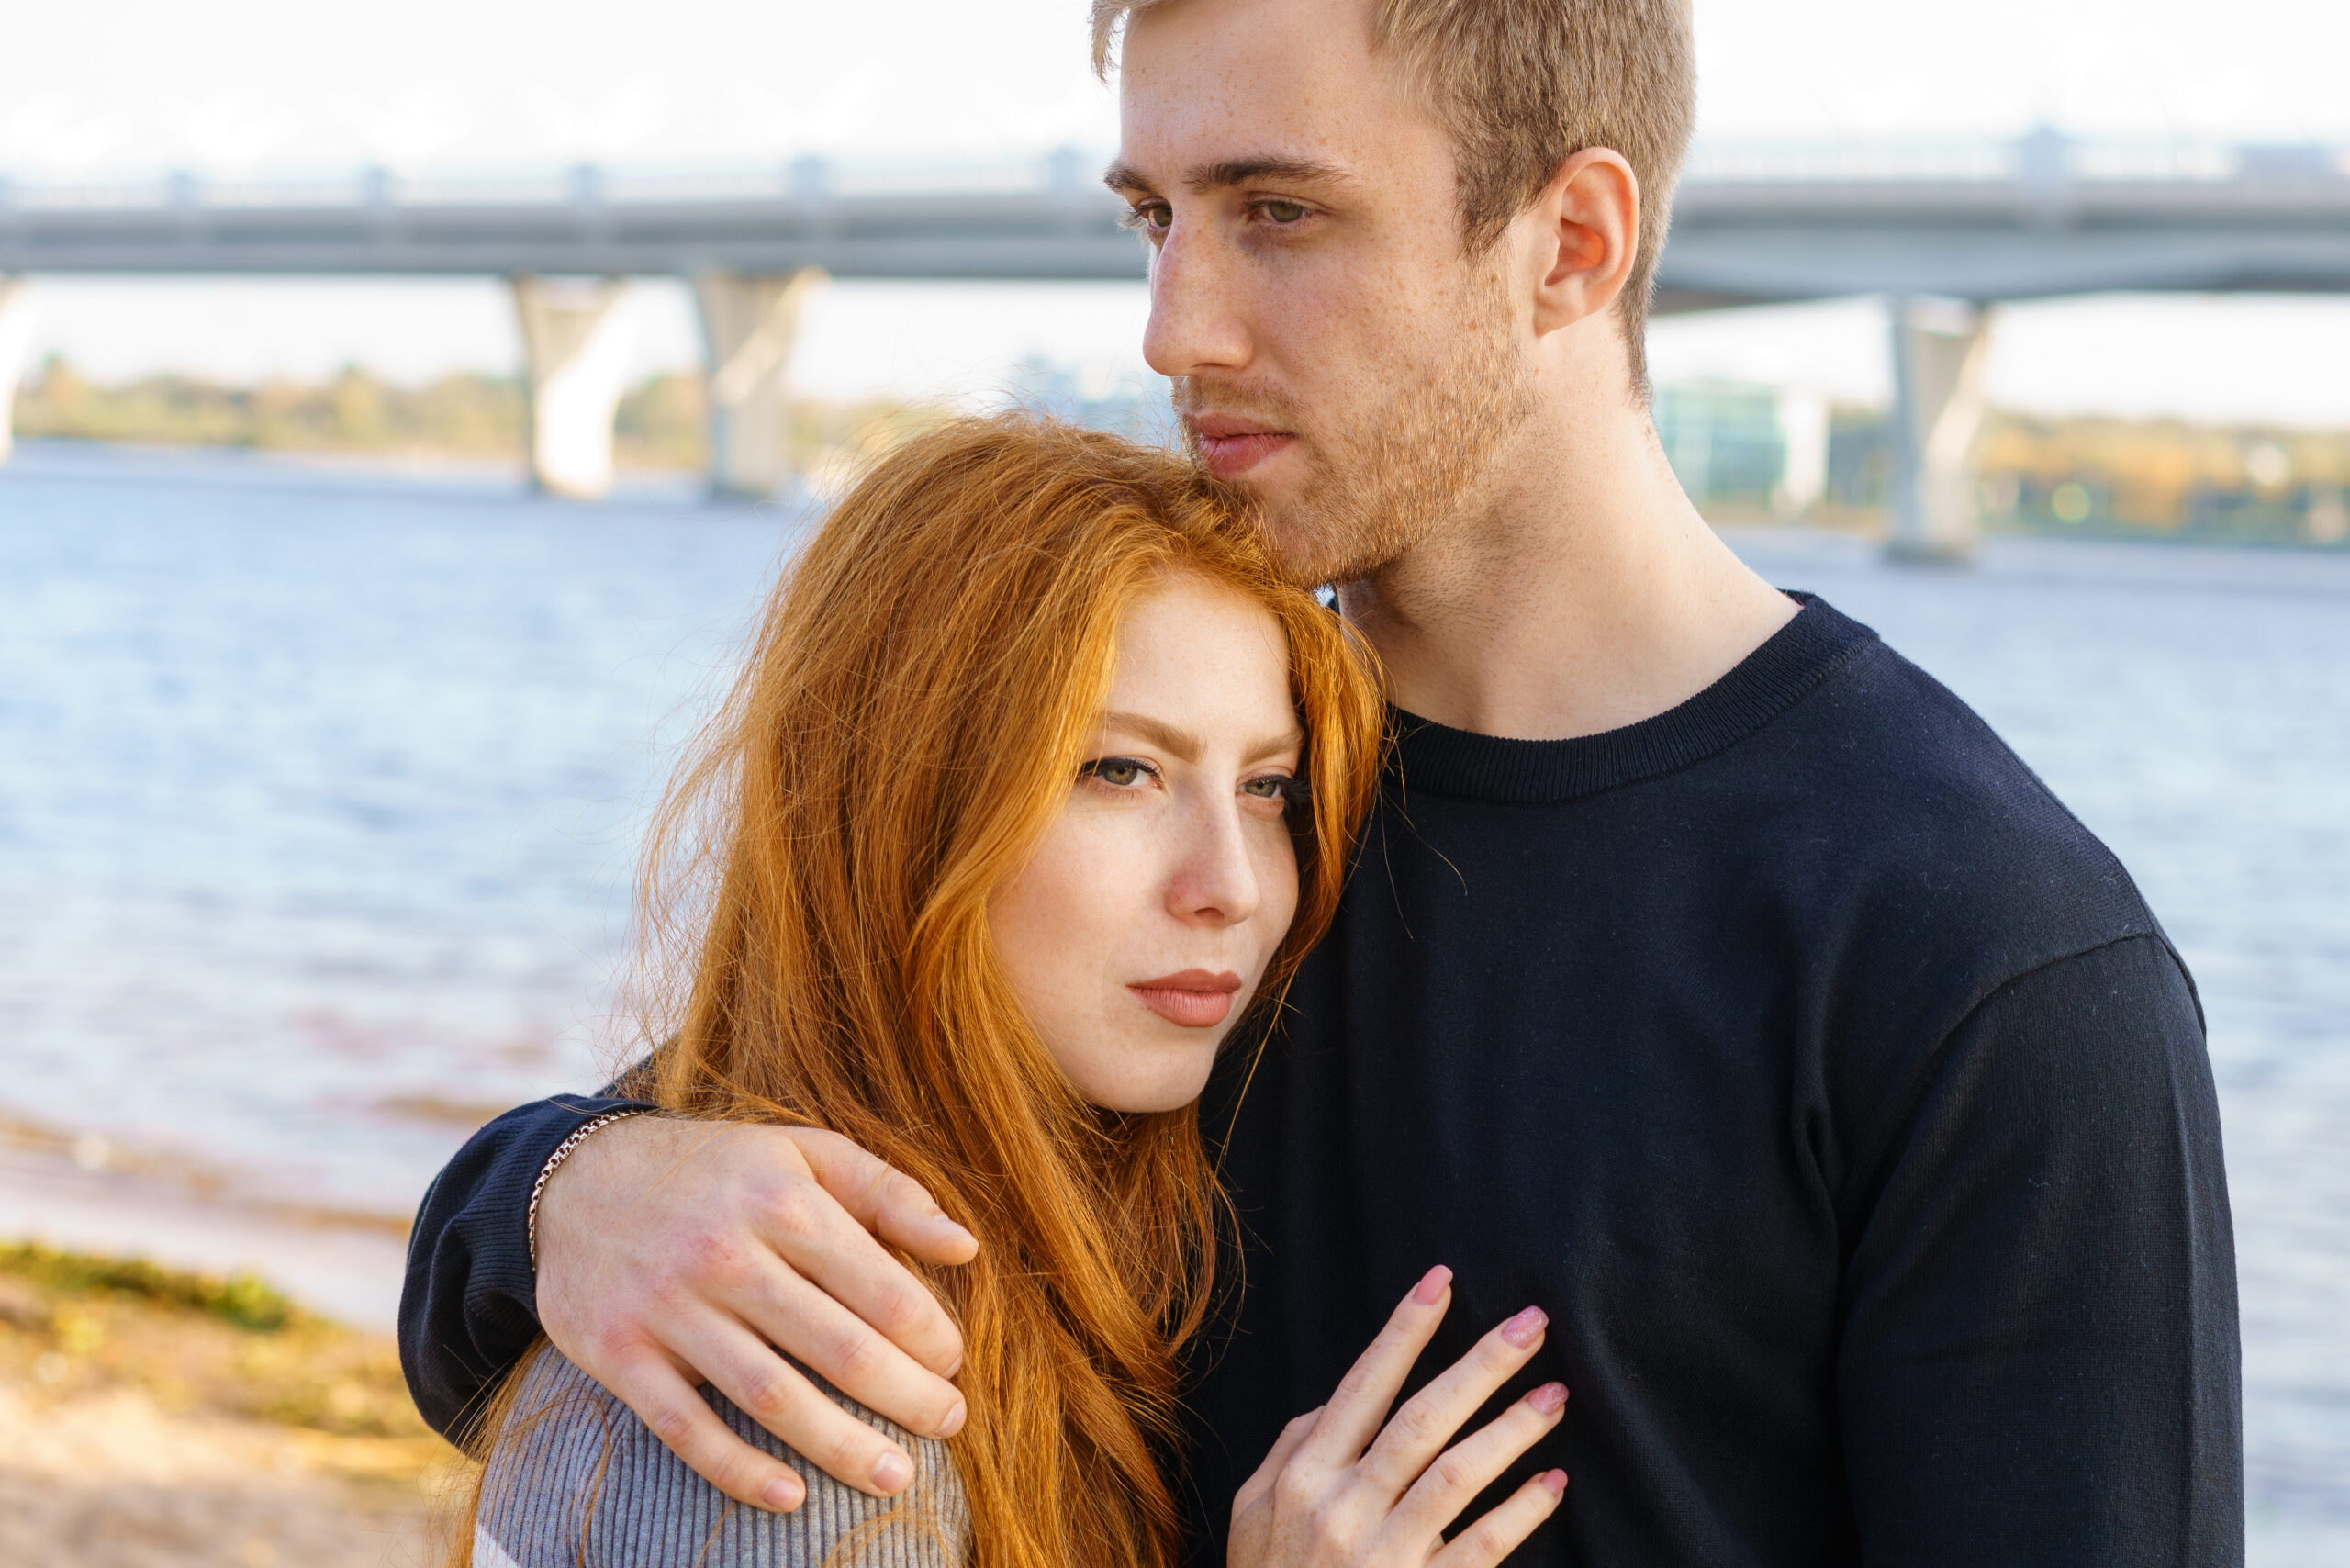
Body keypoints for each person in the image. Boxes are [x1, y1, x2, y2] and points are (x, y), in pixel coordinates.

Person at [404, 0, 2243, 1562]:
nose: (1174, 328)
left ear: (1569, 246)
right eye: (1152, 216)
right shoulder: (1184, 800)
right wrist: (566, 1181)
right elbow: (673, 1212)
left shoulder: (1977, 956)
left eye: (1277, 213)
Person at [446, 414, 1573, 1568]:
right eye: (1120, 770)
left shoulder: (1054, 1224)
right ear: (906, 810)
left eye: (1267, 785)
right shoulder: (799, 1386)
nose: (1229, 888)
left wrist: (545, 1182)